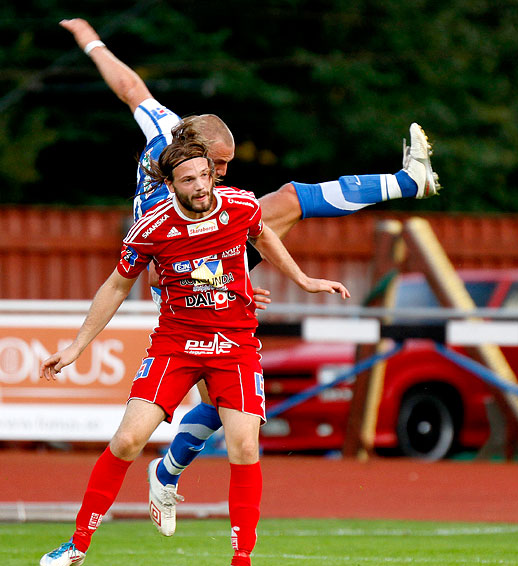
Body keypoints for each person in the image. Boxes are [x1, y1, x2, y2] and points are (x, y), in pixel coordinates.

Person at [60, 18, 441, 537]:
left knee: (284, 205)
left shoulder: (176, 141)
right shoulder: (171, 152)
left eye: (223, 166)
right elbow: (129, 89)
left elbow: (130, 86)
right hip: (176, 277)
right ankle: (166, 471)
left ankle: (407, 181)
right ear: (191, 149)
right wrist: (220, 284)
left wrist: (91, 40)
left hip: (212, 257)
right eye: (218, 165)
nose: (220, 176)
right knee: (219, 396)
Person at [38, 134, 350, 566]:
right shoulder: (152, 226)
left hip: (235, 346)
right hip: (176, 343)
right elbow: (116, 286)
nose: (203, 186)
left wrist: (303, 280)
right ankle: (76, 544)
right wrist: (78, 346)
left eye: (206, 175)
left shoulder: (239, 204)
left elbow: (263, 234)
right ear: (169, 184)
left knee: (245, 445)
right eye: (189, 179)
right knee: (126, 440)